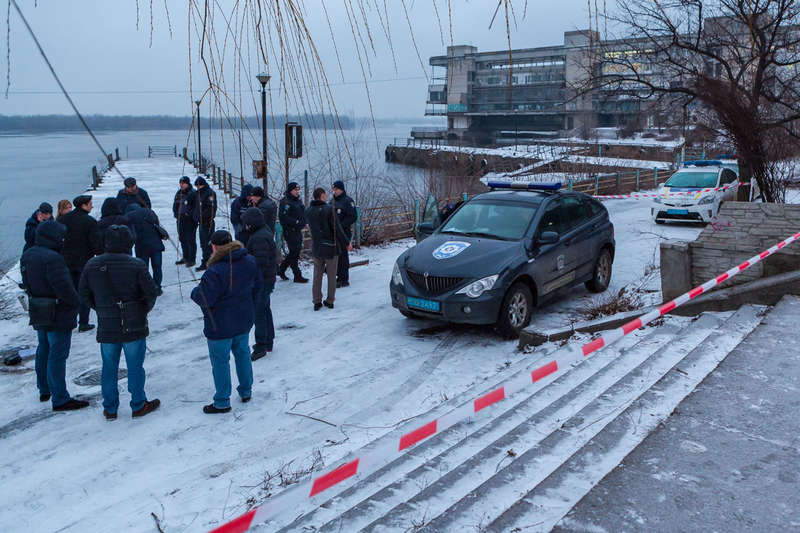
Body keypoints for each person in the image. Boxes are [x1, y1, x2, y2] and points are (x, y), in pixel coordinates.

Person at [79, 225, 160, 420]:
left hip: (107, 323)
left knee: (109, 367)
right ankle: (138, 404)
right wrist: (141, 310)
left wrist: (101, 309)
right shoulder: (136, 264)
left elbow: (83, 293)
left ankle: (110, 408)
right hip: (134, 322)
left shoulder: (92, 265)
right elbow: (151, 292)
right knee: (135, 366)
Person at [20, 220, 89, 411]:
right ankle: (60, 398)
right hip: (58, 313)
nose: (63, 240)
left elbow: (26, 283)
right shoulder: (53, 259)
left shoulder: (28, 254)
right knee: (57, 355)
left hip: (39, 308)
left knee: (44, 349)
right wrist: (78, 302)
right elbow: (64, 288)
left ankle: (44, 388)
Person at [191, 230, 262, 414]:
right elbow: (258, 287)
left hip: (220, 325)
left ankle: (222, 401)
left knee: (221, 361)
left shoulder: (215, 271)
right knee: (242, 354)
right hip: (243, 319)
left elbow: (205, 298)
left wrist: (196, 292)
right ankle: (246, 391)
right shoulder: (249, 261)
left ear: (215, 247)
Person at [59, 194, 101, 332]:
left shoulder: (63, 220)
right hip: (84, 262)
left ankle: (68, 320)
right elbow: (96, 245)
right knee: (84, 291)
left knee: (69, 291)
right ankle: (83, 322)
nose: (92, 206)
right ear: (83, 205)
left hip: (66, 261)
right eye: (90, 204)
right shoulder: (90, 222)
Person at [305, 188, 350, 311]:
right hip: (330, 247)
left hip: (317, 247)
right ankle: (330, 300)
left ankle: (316, 301)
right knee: (331, 275)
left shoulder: (308, 211)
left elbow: (308, 226)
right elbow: (337, 229)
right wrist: (346, 242)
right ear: (323, 196)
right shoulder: (329, 209)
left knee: (317, 275)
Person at [242, 208, 276, 361]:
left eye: (247, 224)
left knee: (259, 312)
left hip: (262, 280)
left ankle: (261, 345)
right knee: (265, 309)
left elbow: (260, 263)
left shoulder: (259, 237)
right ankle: (268, 341)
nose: (245, 227)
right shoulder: (263, 231)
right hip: (266, 279)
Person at [125, 203, 166, 294]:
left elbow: (130, 233)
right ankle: (158, 287)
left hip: (142, 247)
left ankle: (146, 289)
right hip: (156, 245)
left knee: (144, 269)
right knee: (157, 267)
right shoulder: (150, 212)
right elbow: (157, 223)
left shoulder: (128, 216)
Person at [278, 182, 308, 283]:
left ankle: (281, 269)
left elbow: (303, 212)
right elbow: (283, 217)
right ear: (290, 191)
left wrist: (305, 222)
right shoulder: (285, 202)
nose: (297, 192)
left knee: (295, 252)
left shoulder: (298, 201)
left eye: (298, 190)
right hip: (289, 231)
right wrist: (295, 221)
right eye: (295, 190)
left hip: (298, 230)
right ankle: (297, 275)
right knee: (294, 252)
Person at [331, 180, 357, 288]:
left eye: (336, 189)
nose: (335, 191)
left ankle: (344, 279)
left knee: (343, 255)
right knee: (336, 254)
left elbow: (353, 216)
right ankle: (337, 275)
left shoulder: (347, 201)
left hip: (344, 231)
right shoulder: (332, 201)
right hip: (334, 232)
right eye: (334, 189)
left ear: (341, 189)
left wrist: (341, 224)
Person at [173, 176, 198, 267]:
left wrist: (189, 214)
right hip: (180, 219)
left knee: (190, 239)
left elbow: (195, 207)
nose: (181, 185)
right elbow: (175, 205)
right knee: (182, 238)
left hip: (190, 220)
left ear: (187, 184)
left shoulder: (193, 193)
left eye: (183, 183)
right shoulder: (179, 193)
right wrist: (176, 214)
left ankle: (192, 259)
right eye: (180, 183)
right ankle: (185, 256)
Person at [193, 176, 217, 271]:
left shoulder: (209, 193)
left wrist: (201, 216)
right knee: (203, 243)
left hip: (208, 222)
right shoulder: (199, 194)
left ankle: (210, 261)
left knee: (208, 243)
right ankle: (206, 261)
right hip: (201, 222)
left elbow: (211, 209)